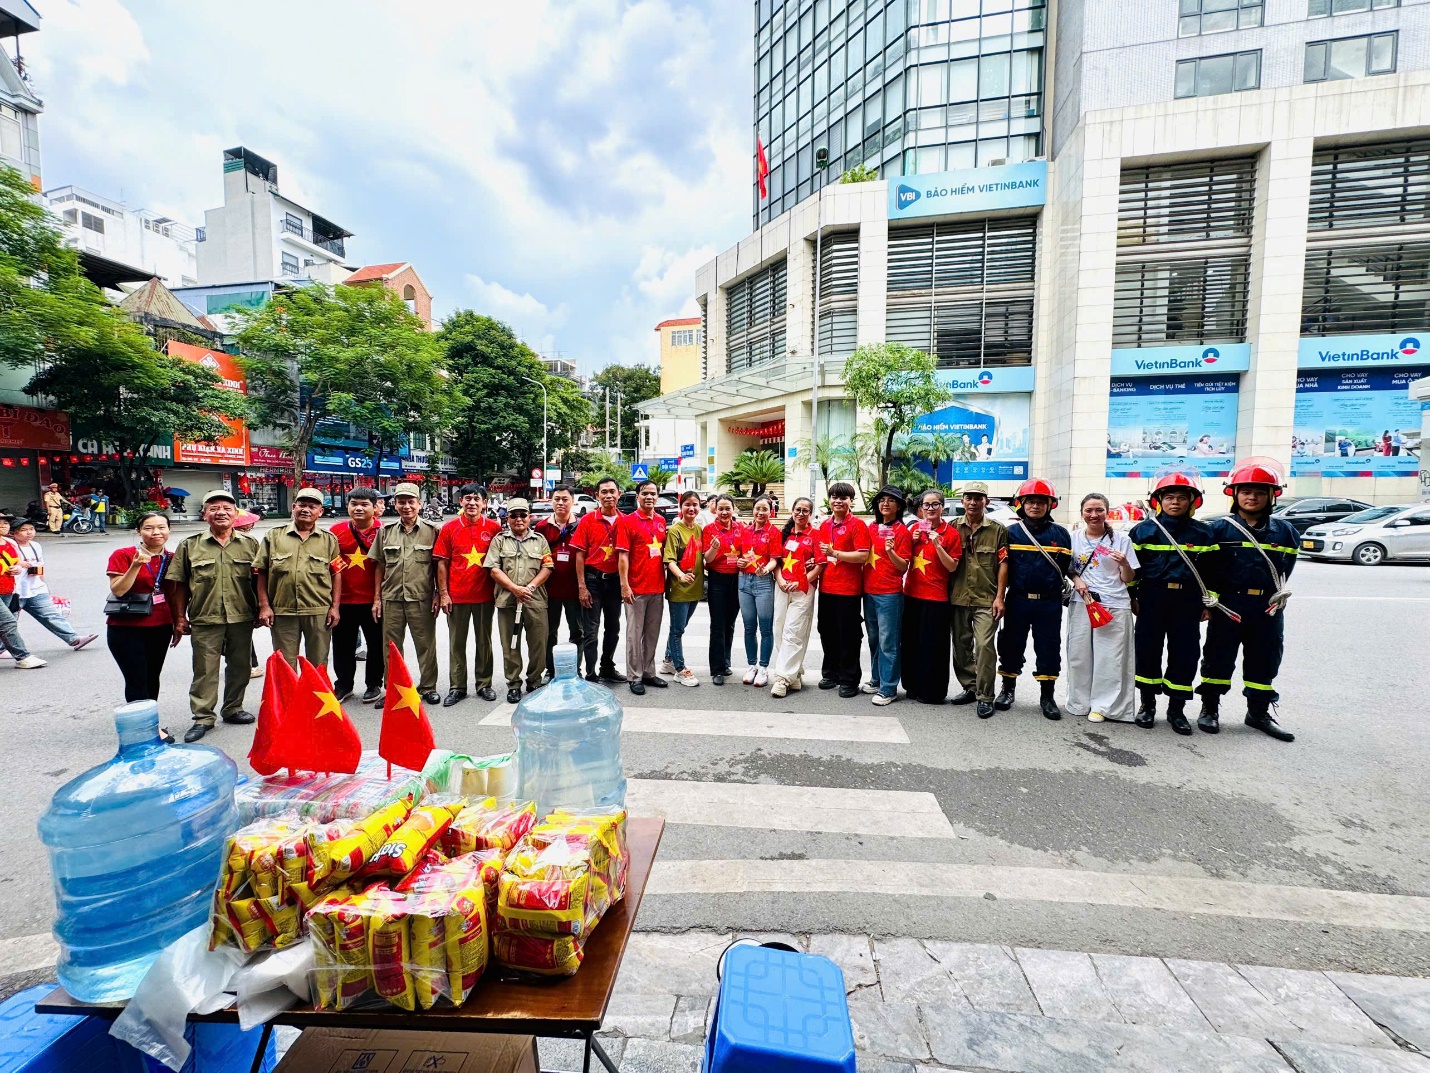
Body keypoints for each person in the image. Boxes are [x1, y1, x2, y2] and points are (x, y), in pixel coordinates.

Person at [1196, 460, 1299, 742]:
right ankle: (1209, 709)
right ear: (1235, 494)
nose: (1252, 497)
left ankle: (1258, 713)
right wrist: (1211, 602)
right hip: (1229, 606)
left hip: (1267, 608)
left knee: (1265, 660)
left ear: (1271, 496)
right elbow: (1207, 569)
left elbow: (1285, 569)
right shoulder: (1218, 530)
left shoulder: (1286, 532)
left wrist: (1276, 598)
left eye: (1259, 492)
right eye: (1246, 492)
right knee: (1218, 657)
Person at [1127, 470, 1217, 734]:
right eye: (1169, 497)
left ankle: (1176, 711)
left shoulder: (1204, 533)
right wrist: (1132, 596)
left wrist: (1209, 602)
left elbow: (1213, 571)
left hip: (1187, 601)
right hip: (1152, 598)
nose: (1175, 502)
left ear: (1192, 501)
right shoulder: (1143, 531)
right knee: (1147, 651)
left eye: (1181, 497)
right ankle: (1147, 705)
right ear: (1159, 501)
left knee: (1185, 653)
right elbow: (1134, 569)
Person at [169, 490, 259, 742]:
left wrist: (263, 608)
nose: (221, 512)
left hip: (241, 616)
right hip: (205, 617)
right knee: (205, 670)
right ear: (205, 514)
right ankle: (203, 717)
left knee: (240, 667)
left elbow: (259, 579)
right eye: (214, 508)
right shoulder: (189, 545)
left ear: (235, 515)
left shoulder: (250, 544)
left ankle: (233, 708)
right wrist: (179, 618)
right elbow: (179, 584)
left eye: (227, 508)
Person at [994, 478, 1074, 720]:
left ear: (1050, 505)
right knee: (1010, 645)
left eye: (1041, 502)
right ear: (1021, 504)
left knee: (1049, 648)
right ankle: (1007, 690)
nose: (1035, 506)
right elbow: (1002, 567)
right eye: (1030, 501)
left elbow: (1067, 568)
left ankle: (1047, 696)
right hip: (1018, 599)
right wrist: (1000, 597)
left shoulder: (1061, 535)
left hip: (1049, 602)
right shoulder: (1010, 533)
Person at [1065, 494, 1139, 724]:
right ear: (1082, 513)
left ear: (1107, 512)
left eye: (1099, 510)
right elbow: (1068, 568)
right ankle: (1079, 701)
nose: (1094, 515)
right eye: (1089, 510)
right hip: (1083, 602)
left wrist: (1124, 563)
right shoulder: (1073, 538)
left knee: (1110, 659)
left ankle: (1105, 706)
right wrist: (1076, 580)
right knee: (1078, 655)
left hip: (1113, 604)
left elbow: (1128, 578)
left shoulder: (1121, 540)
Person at [370, 482, 443, 704]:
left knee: (426, 645)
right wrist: (377, 599)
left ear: (419, 504)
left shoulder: (432, 532)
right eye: (401, 502)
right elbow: (379, 566)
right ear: (395, 504)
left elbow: (440, 565)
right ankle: (393, 688)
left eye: (411, 502)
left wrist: (440, 593)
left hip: (421, 598)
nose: (406, 506)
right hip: (391, 598)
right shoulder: (385, 532)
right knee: (391, 647)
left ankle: (428, 687)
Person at [255, 488, 343, 670]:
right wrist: (264, 606)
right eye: (302, 505)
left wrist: (335, 607)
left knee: (318, 663)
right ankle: (289, 699)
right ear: (293, 507)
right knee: (285, 664)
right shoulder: (274, 536)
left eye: (312, 506)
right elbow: (261, 572)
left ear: (320, 512)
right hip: (283, 611)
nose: (306, 510)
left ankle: (315, 699)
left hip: (318, 610)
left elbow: (336, 574)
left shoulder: (329, 540)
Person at [434, 484, 502, 706]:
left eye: (477, 499)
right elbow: (442, 564)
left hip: (485, 596)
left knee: (485, 642)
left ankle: (484, 684)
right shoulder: (449, 528)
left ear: (484, 503)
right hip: (457, 596)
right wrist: (443, 594)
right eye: (467, 499)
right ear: (460, 502)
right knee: (457, 643)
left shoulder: (494, 528)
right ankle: (457, 686)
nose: (472, 503)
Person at [950, 481, 1009, 719]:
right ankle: (970, 687)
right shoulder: (952, 527)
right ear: (963, 501)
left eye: (978, 498)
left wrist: (1000, 597)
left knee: (984, 646)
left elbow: (1003, 564)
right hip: (958, 596)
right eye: (969, 497)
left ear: (986, 501)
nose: (973, 502)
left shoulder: (997, 529)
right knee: (961, 647)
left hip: (986, 598)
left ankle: (985, 696)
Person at [485, 498, 552, 704]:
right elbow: (493, 569)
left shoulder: (539, 540)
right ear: (508, 518)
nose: (519, 519)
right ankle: (513, 684)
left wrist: (529, 588)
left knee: (538, 644)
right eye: (514, 515)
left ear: (529, 517)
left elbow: (547, 567)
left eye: (523, 515)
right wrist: (514, 589)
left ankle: (534, 681)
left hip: (535, 600)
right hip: (508, 600)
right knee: (510, 645)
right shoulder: (499, 540)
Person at [106, 511, 178, 702]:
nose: (156, 532)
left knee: (152, 677)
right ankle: (142, 729)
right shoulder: (124, 555)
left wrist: (179, 622)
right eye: (149, 528)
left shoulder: (173, 558)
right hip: (126, 628)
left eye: (161, 527)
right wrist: (135, 566)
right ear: (138, 531)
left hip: (161, 626)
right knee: (136, 680)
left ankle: (150, 724)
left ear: (169, 530)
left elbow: (176, 594)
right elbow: (118, 590)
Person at [901, 489, 962, 705]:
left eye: (935, 505)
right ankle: (912, 685)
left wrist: (938, 545)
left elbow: (952, 566)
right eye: (926, 505)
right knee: (911, 643)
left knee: (933, 646)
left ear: (942, 508)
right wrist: (911, 540)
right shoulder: (915, 529)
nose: (930, 509)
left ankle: (932, 691)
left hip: (936, 598)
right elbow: (903, 560)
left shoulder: (951, 534)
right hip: (911, 594)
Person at [8, 518, 99, 651]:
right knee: (9, 621)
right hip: (15, 591)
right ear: (13, 533)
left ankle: (74, 639)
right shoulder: (9, 546)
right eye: (24, 530)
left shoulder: (36, 546)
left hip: (36, 589)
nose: (29, 533)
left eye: (31, 529)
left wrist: (45, 586)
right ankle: (1, 648)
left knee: (51, 615)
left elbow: (40, 566)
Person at [815, 481, 871, 698]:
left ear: (850, 501)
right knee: (826, 631)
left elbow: (862, 555)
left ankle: (849, 679)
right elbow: (822, 555)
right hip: (827, 587)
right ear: (829, 500)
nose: (838, 501)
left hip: (848, 590)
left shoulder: (857, 525)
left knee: (848, 635)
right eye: (834, 497)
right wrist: (815, 562)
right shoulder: (824, 525)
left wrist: (835, 552)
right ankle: (831, 673)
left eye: (843, 498)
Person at [330, 488, 386, 704]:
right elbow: (332, 565)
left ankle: (374, 684)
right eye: (354, 504)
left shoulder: (385, 531)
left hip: (374, 601)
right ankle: (344, 685)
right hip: (344, 600)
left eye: (364, 504)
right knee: (342, 646)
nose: (359, 508)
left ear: (375, 508)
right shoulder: (336, 531)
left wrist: (378, 599)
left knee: (376, 645)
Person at [769, 497, 824, 698]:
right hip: (782, 587)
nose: (801, 514)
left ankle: (782, 678)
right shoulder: (783, 535)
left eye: (805, 511)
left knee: (794, 632)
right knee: (778, 628)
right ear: (792, 511)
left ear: (810, 514)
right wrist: (780, 580)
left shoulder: (815, 535)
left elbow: (819, 564)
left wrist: (802, 582)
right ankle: (795, 672)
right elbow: (776, 562)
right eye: (798, 510)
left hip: (804, 590)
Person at [617, 480, 668, 695]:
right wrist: (625, 585)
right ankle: (634, 676)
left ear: (657, 497)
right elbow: (623, 556)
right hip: (636, 589)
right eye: (645, 493)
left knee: (652, 633)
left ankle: (648, 672)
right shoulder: (627, 522)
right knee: (634, 635)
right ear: (638, 496)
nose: (649, 497)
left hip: (657, 587)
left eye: (653, 493)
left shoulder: (661, 521)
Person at [862, 486, 911, 706]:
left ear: (898, 506)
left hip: (889, 594)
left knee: (888, 641)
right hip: (868, 591)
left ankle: (889, 687)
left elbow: (903, 567)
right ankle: (876, 678)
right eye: (881, 500)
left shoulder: (903, 531)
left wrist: (891, 551)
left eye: (891, 500)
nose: (885, 504)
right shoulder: (870, 528)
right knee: (873, 639)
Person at [572, 478, 624, 683]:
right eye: (604, 492)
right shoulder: (587, 521)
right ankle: (591, 673)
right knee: (591, 630)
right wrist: (581, 586)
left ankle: (607, 667)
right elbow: (579, 555)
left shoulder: (625, 521)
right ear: (597, 496)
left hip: (615, 582)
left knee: (613, 627)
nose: (608, 495)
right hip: (593, 580)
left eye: (612, 491)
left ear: (619, 494)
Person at [535, 487, 586, 681]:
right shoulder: (541, 527)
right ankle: (550, 669)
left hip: (575, 590)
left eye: (565, 499)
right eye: (557, 499)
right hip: (549, 590)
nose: (561, 503)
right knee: (549, 632)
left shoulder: (582, 525)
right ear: (552, 501)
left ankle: (576, 669)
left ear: (572, 501)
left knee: (578, 632)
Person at [736, 496, 781, 687]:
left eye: (764, 509)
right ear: (753, 510)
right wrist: (739, 562)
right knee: (748, 627)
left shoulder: (774, 532)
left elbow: (774, 559)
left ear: (770, 511)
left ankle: (764, 667)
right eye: (757, 509)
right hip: (744, 581)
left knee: (765, 627)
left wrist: (767, 569)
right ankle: (752, 665)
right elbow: (738, 555)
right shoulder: (744, 531)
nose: (760, 513)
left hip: (763, 583)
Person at [661, 490, 704, 686]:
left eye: (695, 504)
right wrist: (680, 576)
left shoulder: (698, 530)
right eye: (687, 504)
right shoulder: (675, 530)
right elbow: (669, 560)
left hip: (695, 588)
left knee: (680, 628)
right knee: (677, 630)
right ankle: (680, 669)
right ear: (681, 507)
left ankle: (668, 661)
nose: (691, 508)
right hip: (679, 588)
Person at [702, 495, 744, 685]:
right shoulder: (709, 530)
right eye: (721, 509)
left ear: (733, 509)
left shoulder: (741, 528)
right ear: (715, 510)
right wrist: (713, 548)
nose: (725, 512)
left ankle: (726, 662)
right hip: (717, 580)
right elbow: (708, 560)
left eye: (728, 508)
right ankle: (717, 669)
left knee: (730, 623)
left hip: (737, 579)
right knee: (717, 625)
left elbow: (748, 552)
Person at [0, 515, 45, 669]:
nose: (3, 525)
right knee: (8, 622)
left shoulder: (10, 543)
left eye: (5, 522)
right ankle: (23, 657)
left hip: (7, 589)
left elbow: (16, 562)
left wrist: (17, 568)